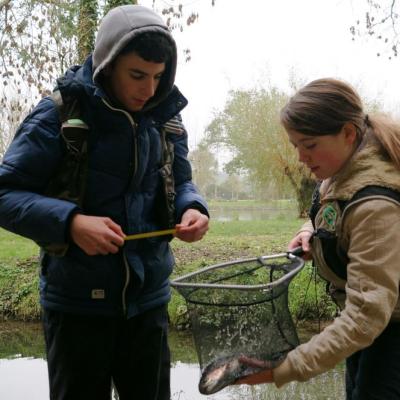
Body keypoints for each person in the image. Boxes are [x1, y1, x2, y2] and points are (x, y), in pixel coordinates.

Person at [0, 5, 209, 400]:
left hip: (148, 304)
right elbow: (5, 194)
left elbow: (181, 180)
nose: (149, 89)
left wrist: (192, 208)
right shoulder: (57, 115)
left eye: (158, 77)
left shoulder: (166, 118)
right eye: (137, 75)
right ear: (107, 64)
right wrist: (71, 223)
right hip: (76, 308)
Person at [236, 78, 400, 399]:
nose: (300, 157)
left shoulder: (376, 204)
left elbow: (365, 317)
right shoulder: (340, 170)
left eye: (309, 145)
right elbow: (333, 213)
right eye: (295, 145)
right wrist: (309, 232)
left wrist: (282, 369)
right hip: (372, 333)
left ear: (348, 133)